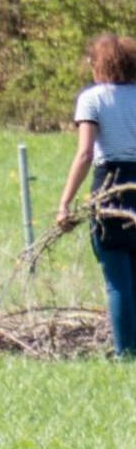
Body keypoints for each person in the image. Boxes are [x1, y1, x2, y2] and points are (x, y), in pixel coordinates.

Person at [57, 32, 136, 357]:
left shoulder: (92, 99)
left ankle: (125, 353)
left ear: (99, 64)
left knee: (117, 277)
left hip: (112, 188)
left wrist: (64, 204)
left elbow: (86, 154)